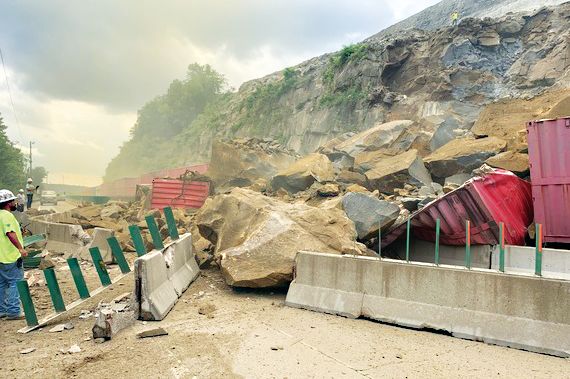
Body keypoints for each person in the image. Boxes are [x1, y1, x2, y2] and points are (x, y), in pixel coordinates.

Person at [0, 189, 27, 320]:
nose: (15, 202)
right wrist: (20, 249)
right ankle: (13, 311)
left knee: (2, 284)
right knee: (15, 282)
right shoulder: (7, 216)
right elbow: (10, 233)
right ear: (8, 203)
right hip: (9, 256)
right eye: (13, 200)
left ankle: (2, 310)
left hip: (1, 257)